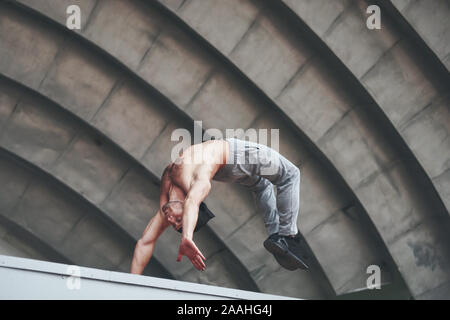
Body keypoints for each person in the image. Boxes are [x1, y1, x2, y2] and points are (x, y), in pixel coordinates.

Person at [130, 137, 309, 275]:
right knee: (291, 174)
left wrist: (131, 283)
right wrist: (186, 237)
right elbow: (192, 202)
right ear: (188, 208)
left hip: (226, 167)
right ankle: (287, 236)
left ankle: (276, 235)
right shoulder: (196, 185)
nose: (170, 219)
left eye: (174, 221)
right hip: (235, 155)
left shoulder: (166, 203)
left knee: (262, 186)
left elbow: (145, 242)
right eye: (178, 219)